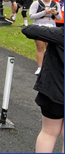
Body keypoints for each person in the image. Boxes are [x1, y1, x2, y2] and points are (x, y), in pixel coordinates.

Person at [21, 25, 64, 153]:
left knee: (48, 133)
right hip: (55, 91)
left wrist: (49, 29)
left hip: (54, 91)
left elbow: (28, 30)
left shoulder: (59, 35)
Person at [28, 0, 62, 75]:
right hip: (39, 25)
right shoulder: (36, 4)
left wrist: (56, 13)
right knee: (40, 47)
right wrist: (44, 12)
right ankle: (40, 66)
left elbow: (60, 18)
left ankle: (50, 66)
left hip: (51, 26)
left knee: (50, 47)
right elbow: (31, 16)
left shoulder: (55, 4)